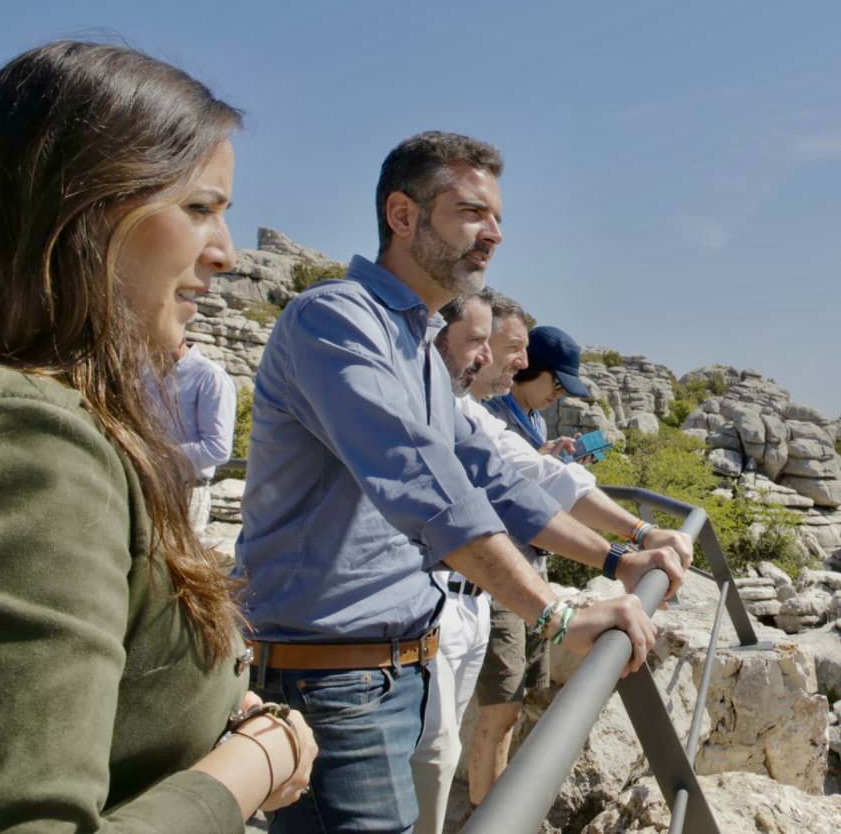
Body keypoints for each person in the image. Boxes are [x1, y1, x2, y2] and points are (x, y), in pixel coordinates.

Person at [235, 132, 684, 834]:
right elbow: (424, 480)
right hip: (330, 676)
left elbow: (498, 480)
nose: (494, 235)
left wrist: (620, 560)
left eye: (497, 218)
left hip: (396, 666)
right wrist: (557, 613)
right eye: (472, 212)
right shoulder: (334, 321)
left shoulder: (414, 344)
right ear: (403, 215)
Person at [0, 41, 316, 832]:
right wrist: (256, 761)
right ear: (82, 207)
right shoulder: (31, 445)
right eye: (198, 208)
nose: (222, 252)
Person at [410, 293, 693, 830]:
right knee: (427, 761)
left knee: (437, 757)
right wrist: (579, 597)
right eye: (496, 345)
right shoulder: (430, 404)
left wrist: (630, 544)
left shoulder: (466, 415)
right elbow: (492, 505)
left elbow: (527, 482)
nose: (515, 361)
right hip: (435, 606)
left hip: (462, 608)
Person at [166, 338, 238, 538]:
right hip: (146, 487)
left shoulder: (209, 376)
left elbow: (217, 449)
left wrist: (160, 453)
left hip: (186, 493)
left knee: (177, 567)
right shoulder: (146, 372)